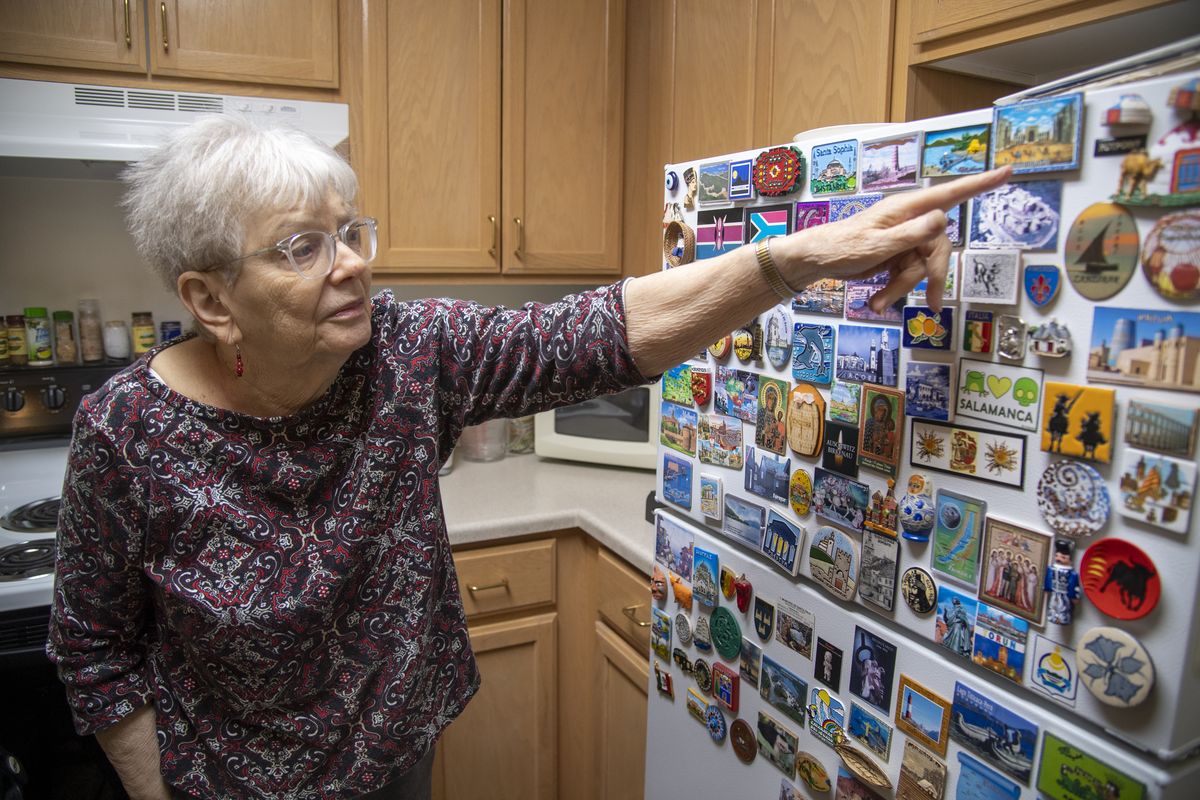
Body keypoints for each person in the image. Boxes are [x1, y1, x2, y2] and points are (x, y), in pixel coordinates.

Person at [46, 114, 1008, 799]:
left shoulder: (408, 351)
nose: (351, 263)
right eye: (302, 246)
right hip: (233, 782)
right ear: (211, 301)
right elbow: (96, 653)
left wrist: (797, 258)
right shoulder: (127, 431)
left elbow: (593, 334)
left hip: (397, 753)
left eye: (351, 230)